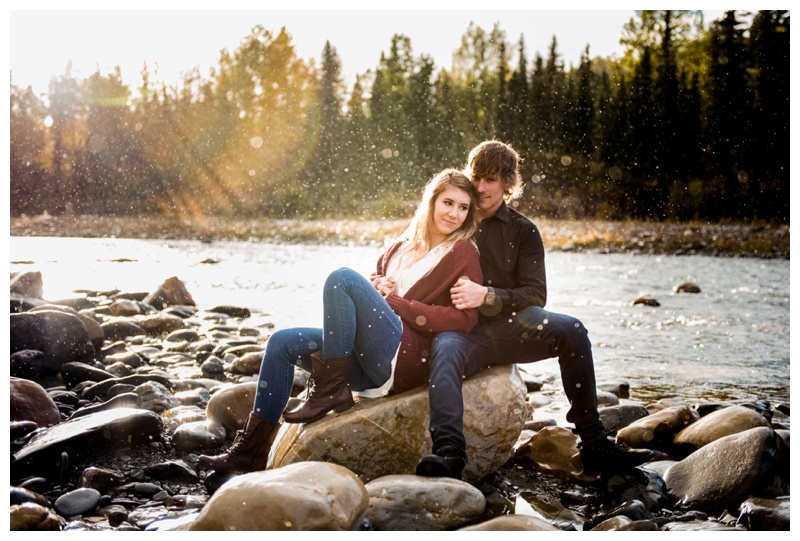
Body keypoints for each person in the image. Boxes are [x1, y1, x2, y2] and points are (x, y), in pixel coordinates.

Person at [199, 169, 484, 474]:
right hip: (364, 355)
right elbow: (369, 295)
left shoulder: (462, 253)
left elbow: (465, 320)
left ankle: (329, 389)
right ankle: (249, 452)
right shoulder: (400, 247)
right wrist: (377, 287)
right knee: (281, 342)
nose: (454, 214)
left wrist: (398, 303)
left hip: (403, 357)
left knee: (342, 279)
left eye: (463, 207)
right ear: (431, 202)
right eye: (448, 203)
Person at [415, 141, 654, 480]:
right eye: (478, 178)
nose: (482, 187)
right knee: (446, 348)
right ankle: (450, 453)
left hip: (513, 328)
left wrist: (487, 296)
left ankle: (595, 444)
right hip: (463, 333)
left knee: (572, 330)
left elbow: (535, 294)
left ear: (508, 184)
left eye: (492, 180)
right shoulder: (454, 217)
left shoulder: (523, 230)